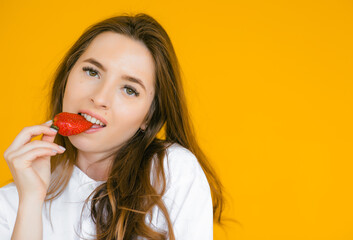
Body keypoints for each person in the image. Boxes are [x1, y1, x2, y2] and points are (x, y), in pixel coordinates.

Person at [0, 13, 224, 240]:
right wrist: (30, 202)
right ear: (67, 76)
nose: (99, 98)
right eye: (92, 72)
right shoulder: (11, 204)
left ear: (149, 117)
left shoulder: (172, 173)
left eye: (129, 89)